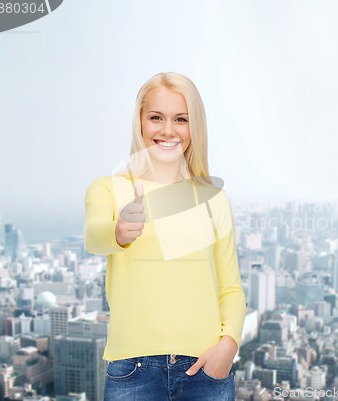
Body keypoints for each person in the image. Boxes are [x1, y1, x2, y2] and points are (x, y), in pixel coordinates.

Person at [84, 72, 246, 401]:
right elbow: (94, 238)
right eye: (156, 117)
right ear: (140, 122)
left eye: (181, 119)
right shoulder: (108, 188)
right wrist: (119, 231)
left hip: (205, 369)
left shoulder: (214, 199)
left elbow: (230, 287)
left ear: (194, 127)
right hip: (132, 370)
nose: (168, 130)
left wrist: (227, 346)